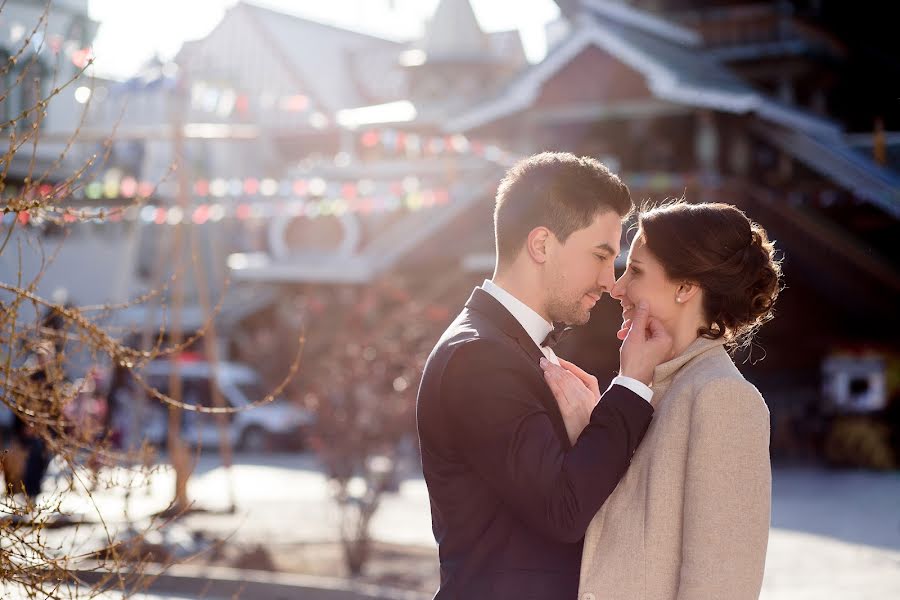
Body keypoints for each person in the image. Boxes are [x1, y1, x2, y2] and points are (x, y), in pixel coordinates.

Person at [416, 152, 673, 599]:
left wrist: (594, 430)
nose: (610, 282)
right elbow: (563, 509)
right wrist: (631, 383)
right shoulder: (479, 357)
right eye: (600, 255)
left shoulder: (514, 348)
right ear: (541, 245)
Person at [544, 201, 780, 600]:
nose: (616, 288)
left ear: (685, 288)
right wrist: (593, 432)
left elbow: (723, 585)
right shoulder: (651, 388)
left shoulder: (723, 398)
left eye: (635, 271)